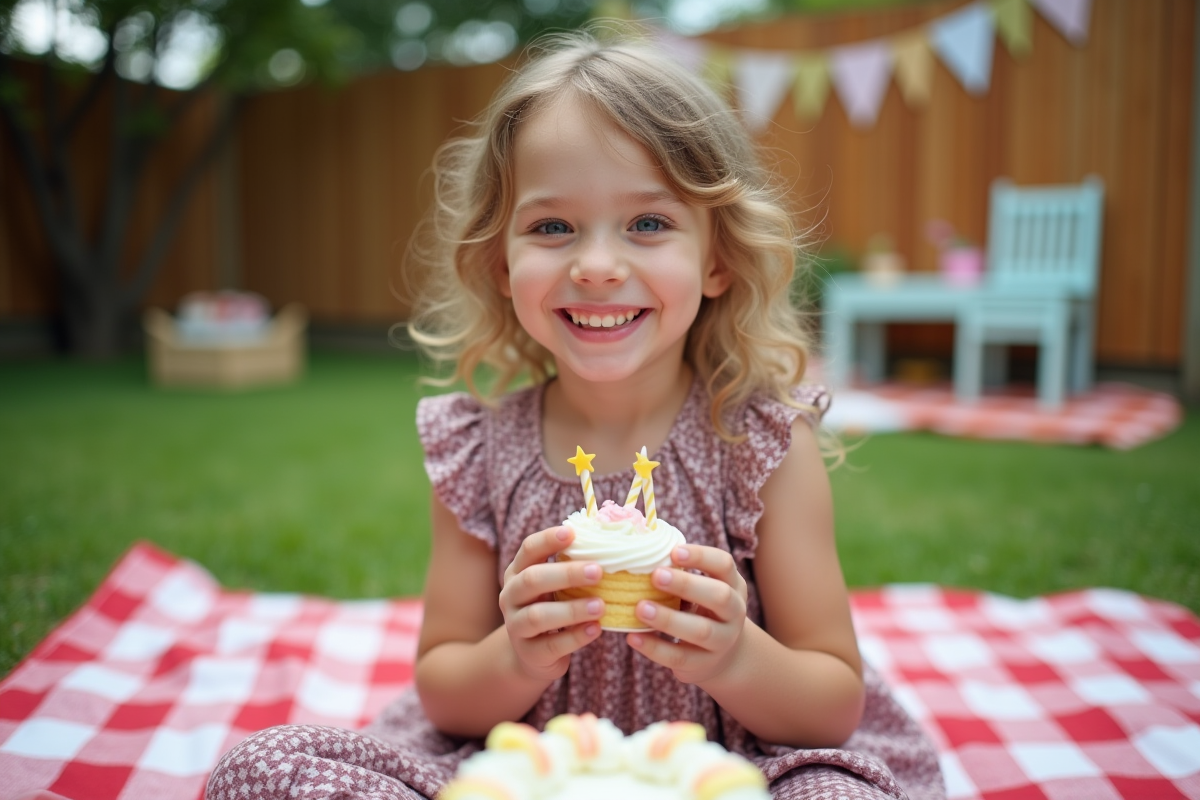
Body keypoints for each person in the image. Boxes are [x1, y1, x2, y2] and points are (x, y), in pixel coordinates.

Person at [206, 28, 944, 800]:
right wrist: (516, 656)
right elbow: (446, 693)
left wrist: (733, 657)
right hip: (519, 774)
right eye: (552, 227)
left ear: (717, 258)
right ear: (500, 259)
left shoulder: (758, 443)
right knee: (261, 771)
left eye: (649, 224)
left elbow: (831, 703)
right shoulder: (477, 448)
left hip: (732, 774)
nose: (595, 265)